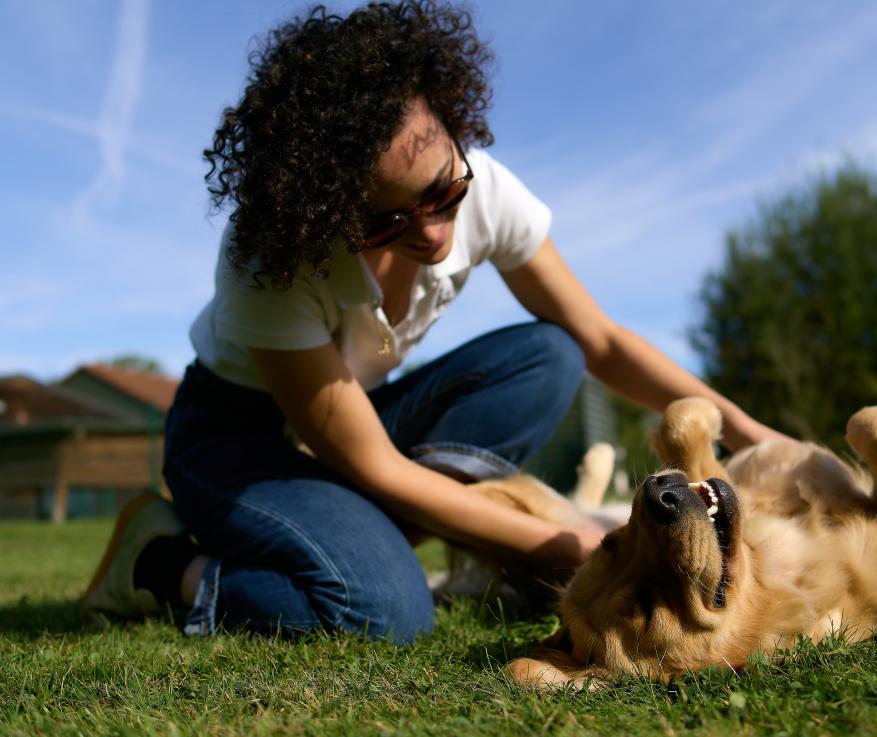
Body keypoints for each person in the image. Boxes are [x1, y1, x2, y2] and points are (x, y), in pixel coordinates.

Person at [80, 0, 790, 643]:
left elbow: (601, 341)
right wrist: (567, 546)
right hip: (235, 442)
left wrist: (755, 436)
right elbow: (374, 466)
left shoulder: (488, 190)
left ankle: (353, 543)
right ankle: (160, 561)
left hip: (351, 426)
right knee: (384, 609)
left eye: (443, 192)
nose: (430, 233)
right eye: (383, 221)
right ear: (325, 208)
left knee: (549, 356)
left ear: (454, 124)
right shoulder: (272, 262)